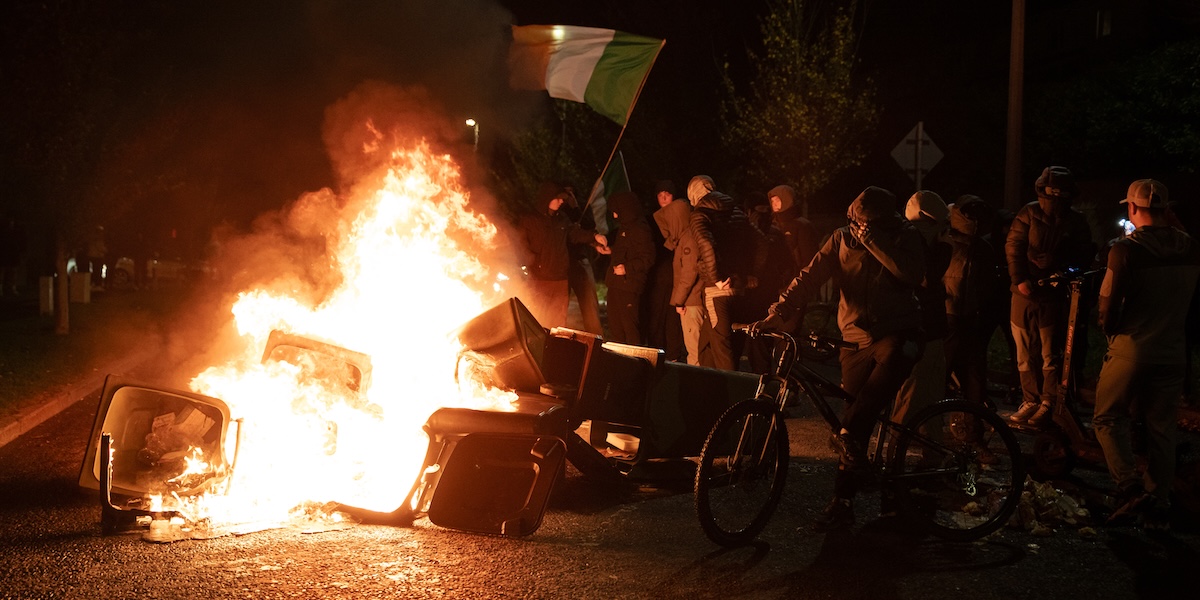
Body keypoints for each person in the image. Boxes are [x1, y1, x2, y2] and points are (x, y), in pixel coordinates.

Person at [751, 186, 925, 531]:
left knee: (857, 417)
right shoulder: (841, 238)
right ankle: (843, 502)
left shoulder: (904, 236)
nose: (859, 229)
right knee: (852, 426)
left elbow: (910, 274)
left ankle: (880, 486)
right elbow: (811, 275)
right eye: (856, 222)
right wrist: (779, 311)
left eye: (866, 225)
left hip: (896, 333)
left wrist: (875, 242)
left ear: (883, 221)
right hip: (854, 339)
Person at [1093, 179, 1200, 531]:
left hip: (1132, 347)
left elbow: (1108, 306)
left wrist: (1109, 330)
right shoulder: (1191, 247)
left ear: (1132, 208)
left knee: (1107, 417)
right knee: (1162, 428)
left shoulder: (1126, 250)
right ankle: (1158, 502)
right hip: (1173, 350)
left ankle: (1128, 487)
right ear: (1166, 209)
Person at [1005, 166, 1096, 426]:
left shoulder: (1076, 221)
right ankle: (1030, 400)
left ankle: (1048, 402)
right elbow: (1014, 245)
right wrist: (1019, 278)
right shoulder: (1028, 213)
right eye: (1051, 192)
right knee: (1024, 350)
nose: (1054, 199)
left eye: (1060, 193)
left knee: (1050, 351)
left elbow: (1084, 255)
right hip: (1023, 294)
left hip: (1052, 295)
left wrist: (1057, 262)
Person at [688, 175, 766, 370]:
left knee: (724, 352)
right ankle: (704, 385)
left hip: (717, 291)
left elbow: (706, 244)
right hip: (740, 288)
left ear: (693, 195)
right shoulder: (736, 212)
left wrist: (717, 278)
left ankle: (732, 388)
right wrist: (753, 274)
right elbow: (762, 242)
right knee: (706, 347)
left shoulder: (699, 215)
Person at [890, 191, 951, 428]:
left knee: (930, 393)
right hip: (921, 327)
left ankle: (928, 445)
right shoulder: (914, 240)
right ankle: (899, 443)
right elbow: (928, 278)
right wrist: (945, 248)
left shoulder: (913, 236)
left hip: (928, 327)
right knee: (913, 392)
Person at [515, 182, 607, 329]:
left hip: (560, 279)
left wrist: (594, 237)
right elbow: (521, 246)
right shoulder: (530, 220)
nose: (561, 202)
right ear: (547, 198)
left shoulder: (562, 219)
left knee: (558, 322)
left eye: (562, 199)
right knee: (539, 319)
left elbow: (574, 234)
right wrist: (534, 265)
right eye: (558, 199)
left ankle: (556, 344)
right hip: (540, 279)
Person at [943, 195, 1003, 412]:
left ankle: (971, 422)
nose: (976, 220)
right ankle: (929, 421)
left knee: (973, 374)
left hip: (968, 317)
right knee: (948, 370)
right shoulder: (947, 240)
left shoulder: (981, 247)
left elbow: (988, 284)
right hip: (949, 316)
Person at [653, 189, 704, 364]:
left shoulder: (689, 239)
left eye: (671, 220)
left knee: (694, 350)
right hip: (690, 300)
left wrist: (678, 301)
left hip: (691, 302)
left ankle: (697, 379)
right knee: (694, 348)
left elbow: (688, 274)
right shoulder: (684, 238)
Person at [600, 191, 656, 345]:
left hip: (629, 286)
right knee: (616, 326)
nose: (614, 216)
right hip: (616, 284)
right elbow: (628, 250)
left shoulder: (640, 229)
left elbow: (648, 257)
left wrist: (627, 268)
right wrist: (611, 251)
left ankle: (634, 358)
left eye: (616, 211)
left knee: (630, 328)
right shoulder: (625, 227)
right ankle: (619, 357)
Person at [644, 179, 686, 358]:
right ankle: (656, 352)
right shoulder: (653, 220)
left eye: (667, 194)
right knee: (656, 315)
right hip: (658, 276)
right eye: (660, 195)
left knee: (673, 317)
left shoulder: (682, 218)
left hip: (676, 275)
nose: (663, 198)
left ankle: (673, 355)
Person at [768, 184, 819, 276]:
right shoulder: (772, 225)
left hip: (797, 277)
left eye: (777, 200)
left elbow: (809, 257)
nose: (774, 204)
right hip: (779, 278)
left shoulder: (802, 225)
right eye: (772, 201)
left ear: (787, 200)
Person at [0, 212, 27, 297]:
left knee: (12, 272)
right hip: (5, 253)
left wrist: (20, 251)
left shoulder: (16, 230)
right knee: (3, 271)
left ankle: (11, 288)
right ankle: (2, 288)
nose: (11, 222)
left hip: (12, 253)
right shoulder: (4, 230)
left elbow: (20, 241)